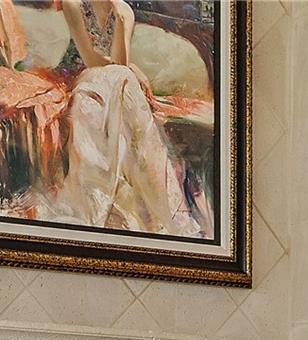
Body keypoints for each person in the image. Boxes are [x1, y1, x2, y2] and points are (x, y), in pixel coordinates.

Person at [45, 0, 199, 237]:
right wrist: (126, 70)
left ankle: (154, 205)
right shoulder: (73, 4)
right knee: (118, 85)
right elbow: (90, 60)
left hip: (115, 82)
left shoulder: (124, 11)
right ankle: (95, 201)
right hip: (78, 77)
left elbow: (120, 63)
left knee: (124, 82)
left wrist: (121, 24)